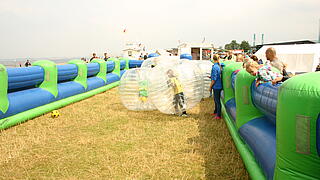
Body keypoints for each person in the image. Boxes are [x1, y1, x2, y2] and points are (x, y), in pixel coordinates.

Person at [209, 54, 223, 120]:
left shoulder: (215, 67)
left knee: (217, 101)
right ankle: (215, 112)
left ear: (213, 59)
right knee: (216, 100)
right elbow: (215, 76)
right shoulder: (218, 66)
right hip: (218, 85)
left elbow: (214, 79)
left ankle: (218, 115)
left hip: (216, 86)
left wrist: (210, 87)